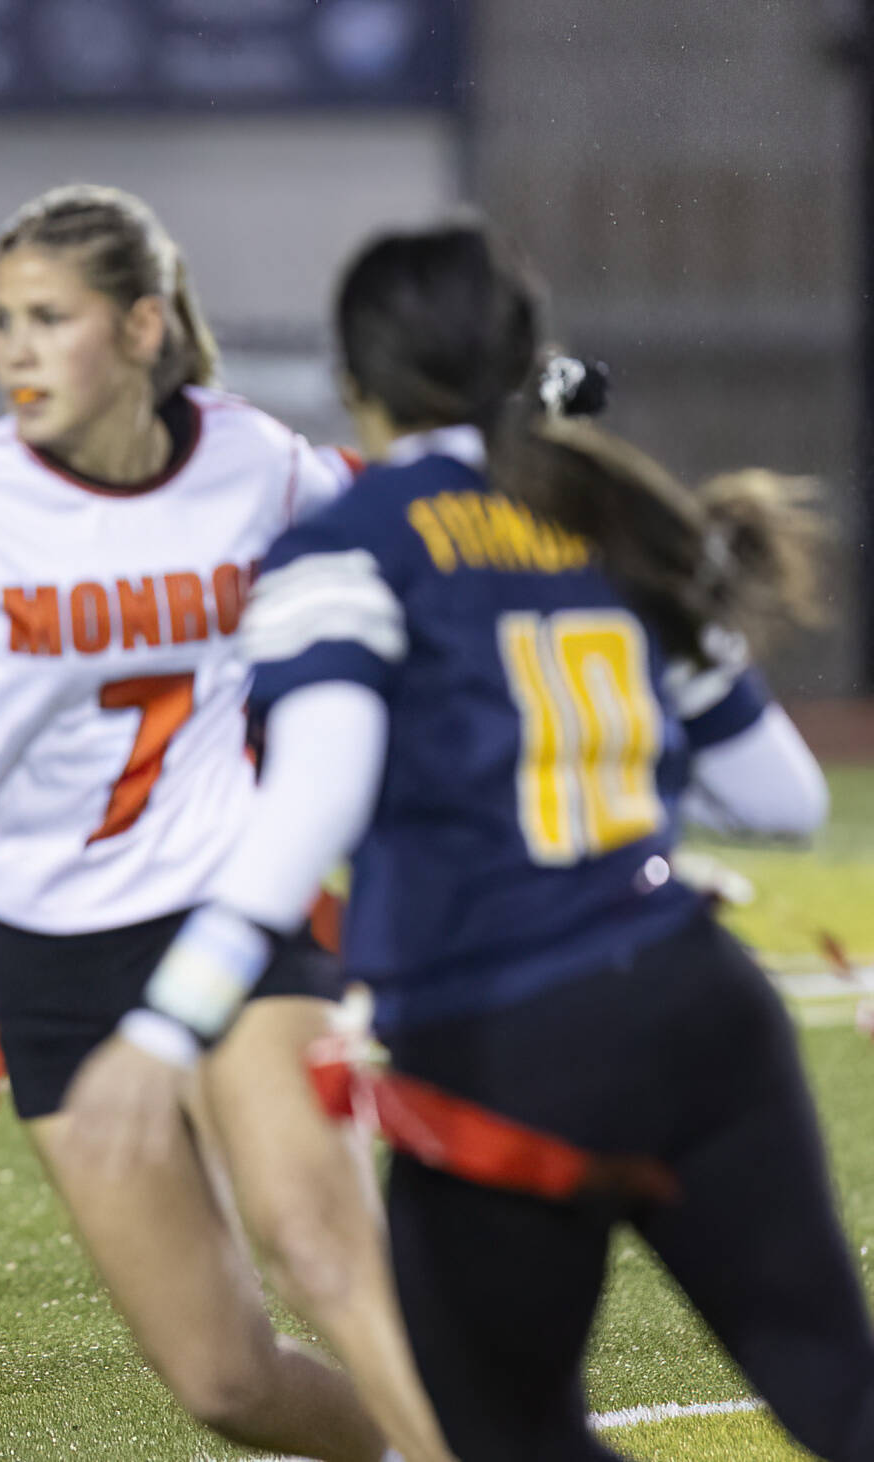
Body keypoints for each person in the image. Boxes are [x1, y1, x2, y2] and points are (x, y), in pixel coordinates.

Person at [69, 220, 874, 1459]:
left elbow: (316, 795)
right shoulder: (609, 512)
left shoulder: (351, 542)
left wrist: (168, 1016)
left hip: (506, 1040)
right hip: (695, 1004)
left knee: (487, 1434)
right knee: (839, 1395)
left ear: (355, 380)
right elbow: (782, 799)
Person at [0, 184, 451, 1462]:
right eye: (0, 321)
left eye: (48, 318)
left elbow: (409, 523)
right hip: (54, 952)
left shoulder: (258, 462)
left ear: (139, 330)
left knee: (321, 1247)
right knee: (225, 1380)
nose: (14, 348)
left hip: (237, 909)